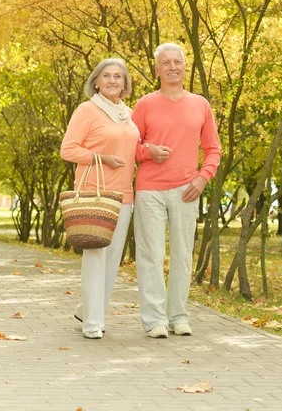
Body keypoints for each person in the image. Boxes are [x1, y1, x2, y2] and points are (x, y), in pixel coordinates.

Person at [132, 43, 221, 338]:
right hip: (150, 190)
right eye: (166, 62)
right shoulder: (144, 104)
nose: (172, 67)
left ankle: (179, 315)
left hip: (187, 189)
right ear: (156, 69)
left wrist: (203, 178)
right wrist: (149, 152)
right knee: (151, 255)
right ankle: (155, 320)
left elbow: (213, 150)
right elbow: (130, 145)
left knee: (183, 255)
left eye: (177, 62)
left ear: (185, 66)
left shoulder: (200, 104)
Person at [60, 58, 141, 340]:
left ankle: (88, 309)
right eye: (106, 76)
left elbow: (132, 150)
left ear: (125, 84)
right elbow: (67, 149)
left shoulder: (126, 115)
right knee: (95, 256)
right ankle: (93, 322)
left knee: (111, 260)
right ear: (96, 81)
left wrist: (150, 151)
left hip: (124, 195)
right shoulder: (87, 110)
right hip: (95, 192)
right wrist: (100, 158)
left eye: (118, 76)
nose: (112, 81)